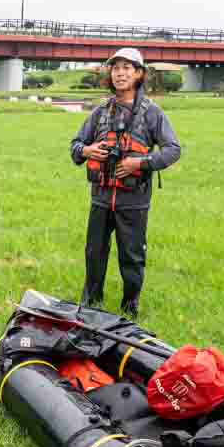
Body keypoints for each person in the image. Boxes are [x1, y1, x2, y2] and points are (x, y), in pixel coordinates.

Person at [70, 47, 181, 318]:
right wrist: (87, 151)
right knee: (94, 253)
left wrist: (139, 163)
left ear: (139, 74)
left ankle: (130, 307)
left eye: (127, 68)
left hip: (134, 199)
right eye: (116, 68)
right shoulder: (99, 112)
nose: (120, 73)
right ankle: (91, 302)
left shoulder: (152, 113)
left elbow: (172, 149)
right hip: (101, 197)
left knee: (131, 257)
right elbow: (75, 146)